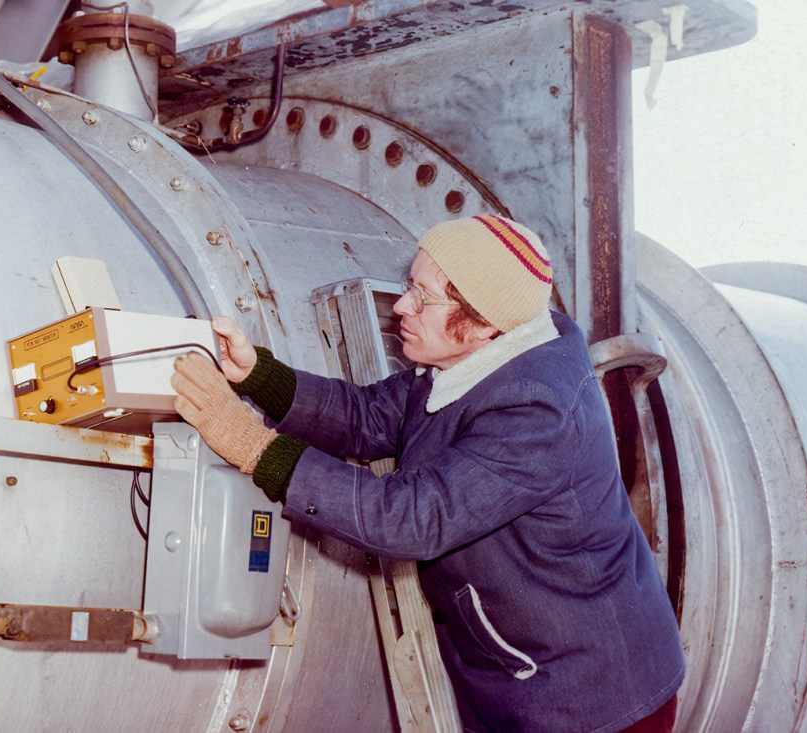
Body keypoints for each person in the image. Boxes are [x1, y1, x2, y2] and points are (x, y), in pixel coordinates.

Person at [171, 215, 684, 733]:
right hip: (517, 674)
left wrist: (252, 445)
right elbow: (370, 417)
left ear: (484, 322)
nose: (401, 306)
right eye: (409, 285)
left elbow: (411, 520)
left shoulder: (538, 410)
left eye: (423, 296)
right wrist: (258, 375)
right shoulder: (470, 356)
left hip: (590, 698)